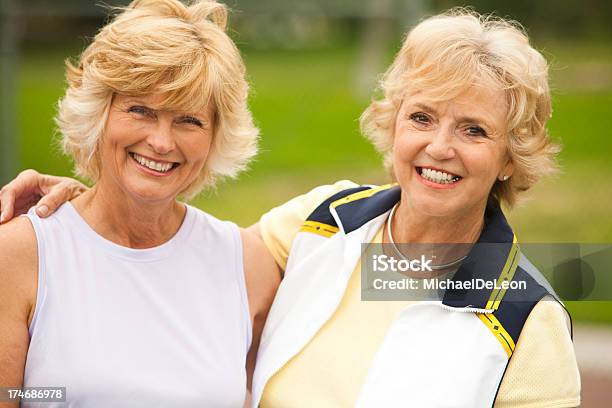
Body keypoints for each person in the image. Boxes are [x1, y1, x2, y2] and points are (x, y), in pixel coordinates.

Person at [1, 8, 580, 408]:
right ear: (393, 124)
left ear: (511, 155)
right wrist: (94, 199)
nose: (439, 147)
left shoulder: (526, 318)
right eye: (422, 117)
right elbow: (156, 266)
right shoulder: (322, 223)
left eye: (474, 130)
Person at [0, 0, 279, 406]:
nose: (162, 142)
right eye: (141, 110)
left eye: (189, 120)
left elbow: (383, 274)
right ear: (100, 112)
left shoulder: (248, 264)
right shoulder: (21, 255)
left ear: (217, 135)